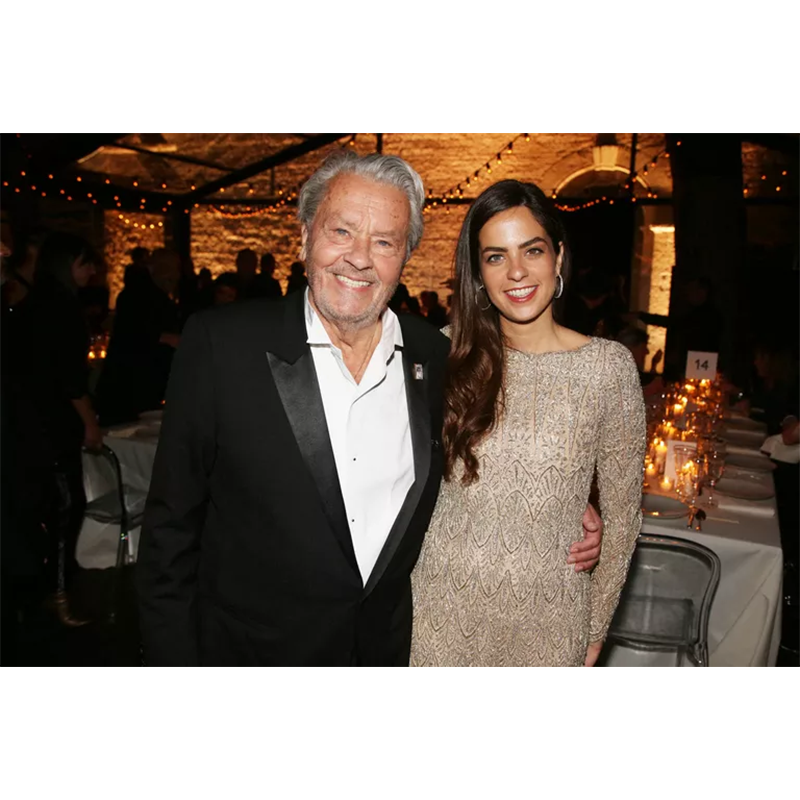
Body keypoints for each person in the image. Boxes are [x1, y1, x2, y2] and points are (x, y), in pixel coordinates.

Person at [136, 152, 601, 666]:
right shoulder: (223, 346)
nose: (359, 258)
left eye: (384, 242)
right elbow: (169, 533)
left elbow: (489, 452)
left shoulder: (437, 357)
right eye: (341, 232)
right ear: (305, 235)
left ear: (405, 257)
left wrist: (565, 502)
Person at [410, 180, 647, 667]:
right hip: (438, 611)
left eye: (532, 250)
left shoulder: (607, 369)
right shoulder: (443, 353)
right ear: (478, 272)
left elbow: (624, 517)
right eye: (495, 256)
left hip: (550, 622)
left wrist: (594, 631)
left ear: (558, 256)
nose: (516, 271)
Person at [10, 232, 102, 625]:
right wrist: (90, 423)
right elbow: (70, 379)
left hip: (24, 422)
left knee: (38, 507)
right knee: (66, 507)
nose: (92, 271)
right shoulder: (61, 308)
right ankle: (58, 592)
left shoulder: (31, 304)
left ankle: (40, 588)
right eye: (85, 263)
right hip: (51, 424)